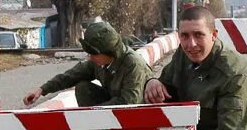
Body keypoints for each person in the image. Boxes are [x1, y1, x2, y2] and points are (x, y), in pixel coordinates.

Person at [22, 19, 151, 108]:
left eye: (94, 54)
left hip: (140, 116)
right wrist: (42, 90)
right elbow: (72, 75)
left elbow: (128, 104)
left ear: (109, 52)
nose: (91, 57)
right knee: (83, 88)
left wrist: (92, 113)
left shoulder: (133, 64)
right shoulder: (99, 63)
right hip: (113, 108)